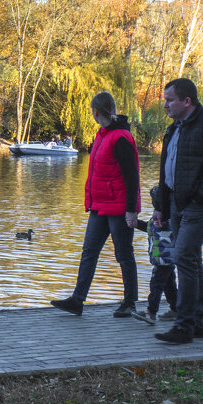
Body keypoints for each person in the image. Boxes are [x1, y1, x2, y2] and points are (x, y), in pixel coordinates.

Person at [151, 77, 203, 344]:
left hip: (200, 203)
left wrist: (200, 196)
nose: (165, 105)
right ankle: (201, 324)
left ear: (187, 101)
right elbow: (167, 171)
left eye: (170, 100)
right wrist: (162, 208)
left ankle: (183, 326)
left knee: (184, 256)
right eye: (165, 99)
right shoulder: (173, 128)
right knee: (192, 260)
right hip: (176, 203)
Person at [51, 91, 141, 318]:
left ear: (97, 111)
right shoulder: (102, 134)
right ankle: (77, 300)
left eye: (93, 110)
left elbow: (132, 177)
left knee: (123, 255)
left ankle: (130, 302)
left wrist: (131, 210)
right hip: (100, 206)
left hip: (119, 207)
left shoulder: (120, 137)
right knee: (89, 252)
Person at [130, 186, 177, 325]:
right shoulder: (161, 219)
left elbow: (161, 228)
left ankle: (151, 312)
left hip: (164, 258)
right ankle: (176, 309)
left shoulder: (168, 219)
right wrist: (136, 224)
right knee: (169, 285)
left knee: (156, 284)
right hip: (162, 257)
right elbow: (150, 228)